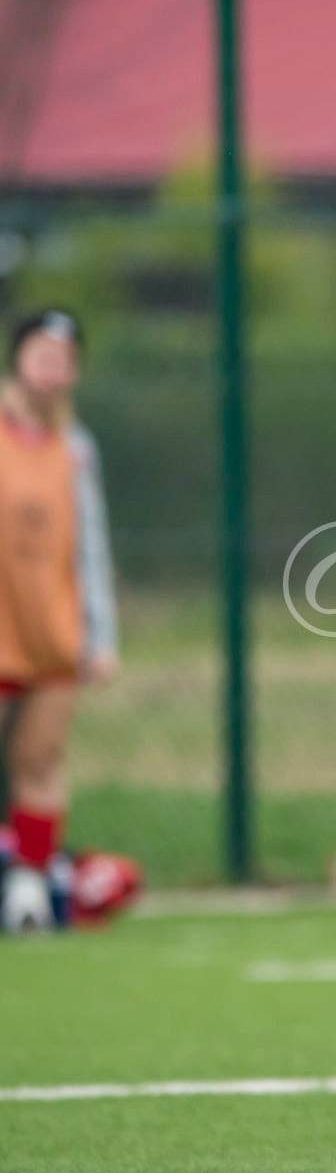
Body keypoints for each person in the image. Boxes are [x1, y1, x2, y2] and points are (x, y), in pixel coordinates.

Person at [0, 309, 120, 933]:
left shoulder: (74, 447)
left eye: (64, 357)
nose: (52, 367)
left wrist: (101, 636)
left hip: (51, 626)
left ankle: (26, 893)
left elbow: (90, 544)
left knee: (40, 759)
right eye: (42, 353)